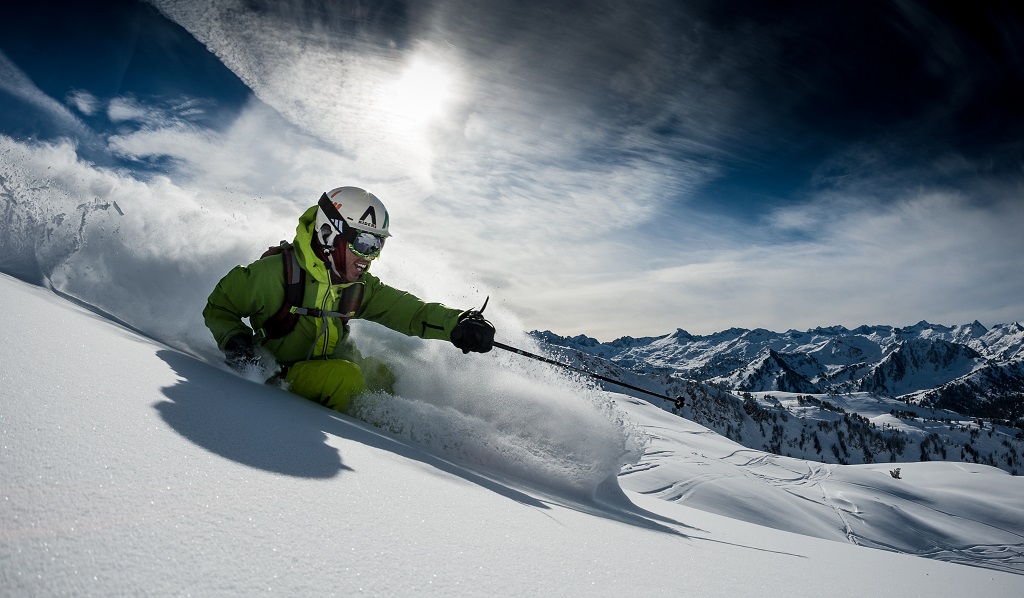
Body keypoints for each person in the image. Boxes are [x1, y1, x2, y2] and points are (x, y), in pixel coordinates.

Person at [203, 186, 495, 413]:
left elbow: (408, 311)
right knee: (346, 378)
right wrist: (234, 340)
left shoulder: (357, 286)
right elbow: (220, 306)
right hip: (281, 373)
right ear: (329, 234)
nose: (371, 257)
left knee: (385, 377)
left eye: (378, 245)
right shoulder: (276, 274)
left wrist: (457, 323)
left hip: (332, 362)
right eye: (365, 243)